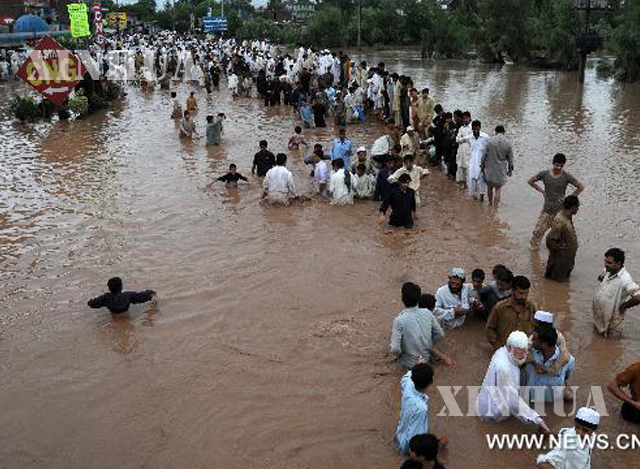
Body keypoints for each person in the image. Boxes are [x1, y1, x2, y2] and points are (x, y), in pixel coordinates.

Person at [476, 331, 551, 433]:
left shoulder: (502, 351)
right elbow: (513, 402)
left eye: (525, 351)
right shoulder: (504, 369)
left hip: (484, 401)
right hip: (493, 412)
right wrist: (537, 420)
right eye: (519, 352)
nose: (524, 355)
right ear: (509, 348)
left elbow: (525, 345)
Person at [528, 153, 585, 250]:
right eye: (557, 165)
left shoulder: (566, 176)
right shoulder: (544, 174)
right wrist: (542, 191)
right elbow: (530, 181)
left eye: (561, 166)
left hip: (561, 212)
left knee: (562, 237)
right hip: (547, 210)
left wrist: (569, 199)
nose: (559, 168)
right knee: (537, 233)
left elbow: (580, 187)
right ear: (553, 163)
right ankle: (534, 256)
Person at [389, 283, 451, 369]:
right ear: (419, 299)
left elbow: (395, 349)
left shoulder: (399, 320)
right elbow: (440, 334)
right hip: (426, 360)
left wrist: (401, 354)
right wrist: (428, 345)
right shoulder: (428, 313)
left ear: (402, 299)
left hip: (408, 364)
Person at [592, 248, 640, 337]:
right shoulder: (608, 270)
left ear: (618, 264)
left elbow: (638, 297)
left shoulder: (625, 279)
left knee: (612, 346)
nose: (605, 265)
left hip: (612, 325)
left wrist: (624, 306)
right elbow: (601, 277)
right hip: (599, 319)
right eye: (605, 261)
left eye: (609, 263)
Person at [525, 324, 575, 403]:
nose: (531, 341)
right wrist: (534, 363)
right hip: (530, 405)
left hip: (553, 406)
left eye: (534, 339)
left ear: (544, 344)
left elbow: (566, 380)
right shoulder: (527, 355)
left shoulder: (568, 362)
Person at [395, 362, 434, 455]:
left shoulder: (408, 386)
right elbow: (414, 437)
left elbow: (406, 377)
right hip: (408, 448)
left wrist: (418, 365)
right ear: (431, 382)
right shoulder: (421, 408)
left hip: (399, 436)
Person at [486, 275, 536, 350]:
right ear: (512, 290)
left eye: (526, 293)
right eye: (520, 293)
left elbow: (535, 327)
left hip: (524, 350)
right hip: (504, 349)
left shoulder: (531, 307)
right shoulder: (499, 308)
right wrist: (499, 348)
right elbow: (490, 329)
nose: (524, 297)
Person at [545, 195, 580, 281]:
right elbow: (549, 239)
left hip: (567, 258)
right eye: (577, 207)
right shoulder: (560, 221)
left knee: (564, 279)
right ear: (573, 207)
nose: (578, 209)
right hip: (560, 259)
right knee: (556, 282)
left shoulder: (567, 215)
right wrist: (558, 247)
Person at [481, 125, 514, 207]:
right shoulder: (508, 143)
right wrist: (510, 171)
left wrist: (482, 167)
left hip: (489, 169)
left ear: (495, 132)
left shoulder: (490, 141)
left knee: (489, 187)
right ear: (504, 132)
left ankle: (490, 203)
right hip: (500, 170)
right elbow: (511, 160)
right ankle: (495, 208)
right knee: (498, 188)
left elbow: (483, 156)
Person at [88, 277, 156, 315]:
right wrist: (150, 292)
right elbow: (141, 296)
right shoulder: (128, 295)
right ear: (121, 287)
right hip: (126, 318)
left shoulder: (105, 298)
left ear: (109, 288)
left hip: (113, 319)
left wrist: (90, 301)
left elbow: (92, 304)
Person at [467, 120, 489, 201]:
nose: (476, 129)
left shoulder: (485, 137)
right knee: (472, 180)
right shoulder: (469, 137)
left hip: (481, 162)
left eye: (477, 127)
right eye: (474, 127)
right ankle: (474, 200)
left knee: (481, 181)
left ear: (480, 127)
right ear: (472, 128)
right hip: (472, 162)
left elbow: (488, 150)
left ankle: (481, 199)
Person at [455, 111, 472, 185]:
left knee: (468, 170)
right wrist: (463, 139)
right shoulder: (461, 128)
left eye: (466, 118)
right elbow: (457, 139)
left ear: (470, 118)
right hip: (461, 152)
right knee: (460, 168)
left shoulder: (472, 128)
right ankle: (462, 184)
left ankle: (468, 188)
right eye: (463, 118)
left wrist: (462, 138)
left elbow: (471, 137)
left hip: (468, 152)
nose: (465, 120)